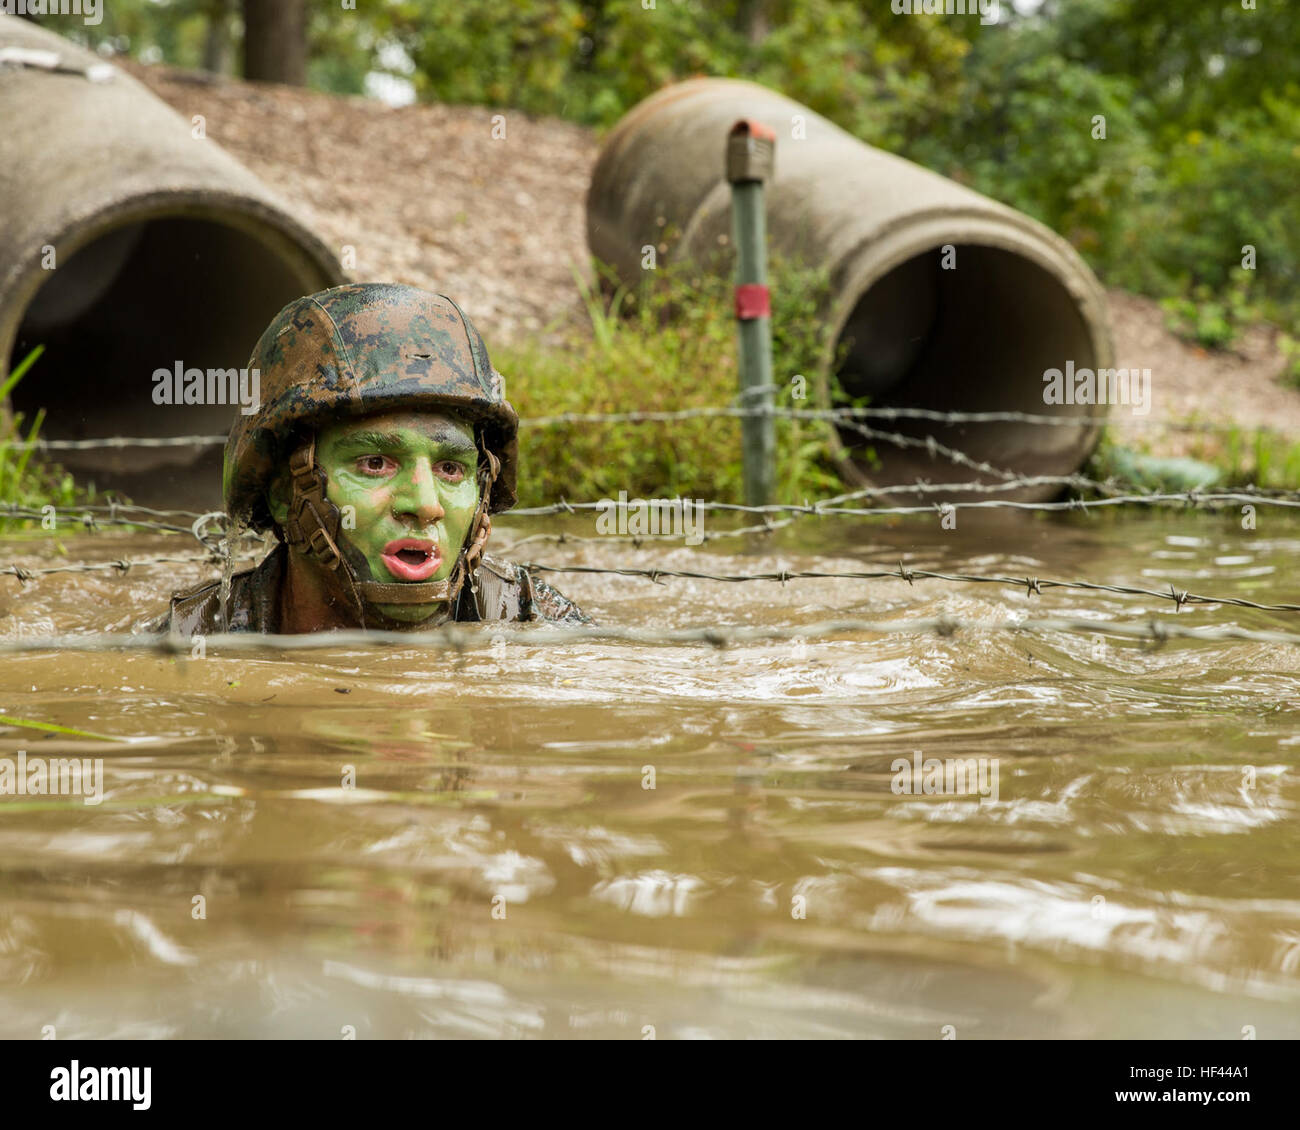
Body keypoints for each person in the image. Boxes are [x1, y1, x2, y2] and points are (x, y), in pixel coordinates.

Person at [147, 283, 589, 634]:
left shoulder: (530, 619)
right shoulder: (196, 637)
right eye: (375, 463)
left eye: (450, 468)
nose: (425, 505)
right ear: (284, 492)